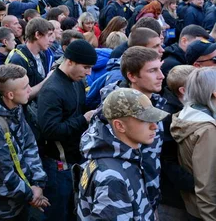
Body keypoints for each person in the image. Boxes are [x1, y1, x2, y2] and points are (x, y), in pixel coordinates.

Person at [76, 88, 168, 220]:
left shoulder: (124, 156)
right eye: (145, 120)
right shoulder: (111, 177)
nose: (155, 126)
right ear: (120, 126)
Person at [36, 39, 97, 221]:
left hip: (74, 161)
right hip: (58, 166)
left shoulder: (76, 82)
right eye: (85, 67)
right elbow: (50, 130)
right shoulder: (52, 90)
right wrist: (83, 119)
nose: (89, 73)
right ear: (69, 61)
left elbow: (76, 110)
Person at [0, 65, 49, 220]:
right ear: (10, 94)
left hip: (24, 198)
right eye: (25, 87)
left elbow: (30, 144)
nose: (30, 90)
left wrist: (38, 183)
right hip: (4, 209)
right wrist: (32, 194)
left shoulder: (14, 108)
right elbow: (3, 175)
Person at [171, 67, 216, 220]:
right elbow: (206, 183)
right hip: (205, 212)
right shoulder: (207, 130)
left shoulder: (187, 114)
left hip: (193, 206)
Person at [160, 65, 196, 220]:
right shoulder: (169, 114)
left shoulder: (187, 108)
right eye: (197, 85)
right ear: (183, 90)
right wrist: (195, 184)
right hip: (174, 200)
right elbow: (166, 159)